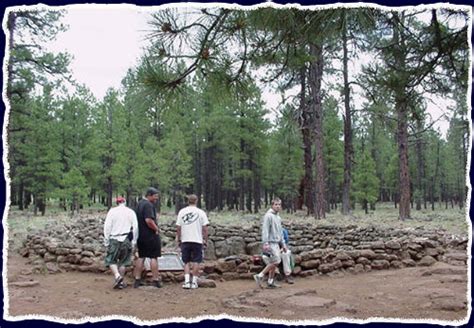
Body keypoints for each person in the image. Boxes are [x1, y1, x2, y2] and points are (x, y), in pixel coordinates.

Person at [103, 196, 138, 289]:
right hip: (126, 238)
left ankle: (117, 276)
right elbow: (135, 228)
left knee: (110, 260)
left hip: (114, 238)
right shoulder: (131, 212)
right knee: (124, 261)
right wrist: (134, 241)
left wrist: (106, 240)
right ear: (125, 202)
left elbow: (107, 227)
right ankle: (120, 281)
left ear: (116, 203)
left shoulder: (112, 212)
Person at [176, 194, 209, 289]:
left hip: (185, 239)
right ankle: (194, 282)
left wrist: (179, 238)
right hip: (197, 240)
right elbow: (205, 228)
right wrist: (205, 239)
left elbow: (178, 227)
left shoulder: (182, 212)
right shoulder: (201, 212)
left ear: (188, 201)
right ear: (196, 201)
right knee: (196, 261)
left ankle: (186, 281)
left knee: (186, 261)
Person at [253, 197, 287, 289]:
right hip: (270, 242)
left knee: (274, 262)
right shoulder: (268, 216)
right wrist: (266, 243)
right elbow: (265, 230)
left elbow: (280, 232)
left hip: (276, 242)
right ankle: (260, 275)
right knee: (276, 261)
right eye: (276, 204)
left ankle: (270, 281)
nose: (278, 206)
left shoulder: (278, 217)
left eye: (279, 204)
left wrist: (283, 244)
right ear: (272, 205)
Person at [133, 187, 162, 288]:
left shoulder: (140, 204)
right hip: (150, 235)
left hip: (141, 235)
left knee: (141, 257)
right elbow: (148, 220)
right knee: (154, 257)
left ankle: (137, 279)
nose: (156, 199)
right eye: (155, 196)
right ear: (149, 195)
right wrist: (156, 229)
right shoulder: (148, 205)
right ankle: (155, 279)